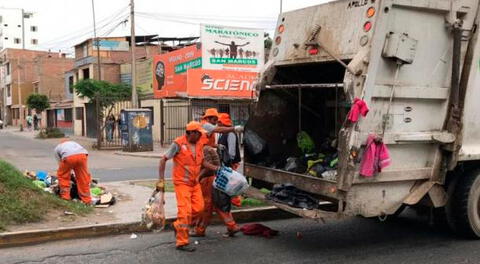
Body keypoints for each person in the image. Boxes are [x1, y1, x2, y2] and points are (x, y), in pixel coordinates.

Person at [157, 121, 218, 252]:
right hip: (182, 184)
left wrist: (215, 168)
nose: (201, 136)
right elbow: (163, 160)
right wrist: (161, 182)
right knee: (185, 213)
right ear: (191, 133)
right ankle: (182, 242)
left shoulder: (200, 144)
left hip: (195, 183)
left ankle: (178, 226)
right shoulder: (178, 144)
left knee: (199, 209)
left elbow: (202, 161)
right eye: (199, 134)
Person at [54, 139, 92, 204]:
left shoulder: (57, 148)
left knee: (63, 176)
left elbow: (61, 164)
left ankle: (65, 197)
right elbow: (77, 157)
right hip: (83, 155)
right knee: (83, 177)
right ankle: (87, 199)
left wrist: (68, 171)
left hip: (68, 157)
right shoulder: (73, 143)